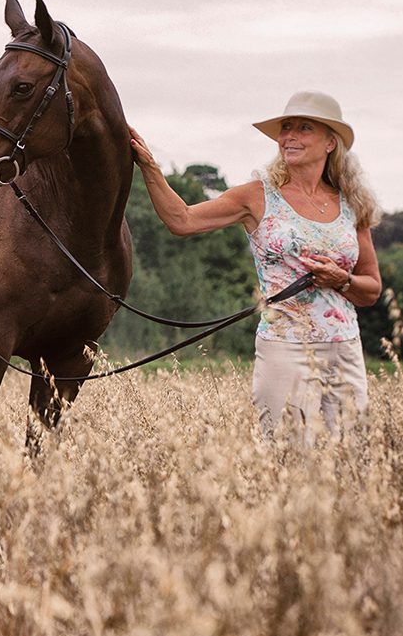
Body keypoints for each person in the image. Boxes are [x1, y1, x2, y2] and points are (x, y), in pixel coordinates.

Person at [129, 90, 382, 444]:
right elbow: (182, 220)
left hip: (344, 347)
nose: (289, 136)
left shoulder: (352, 204)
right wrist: (150, 167)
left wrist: (341, 280)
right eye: (285, 128)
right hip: (284, 347)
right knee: (289, 456)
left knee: (357, 455)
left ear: (330, 142)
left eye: (304, 128)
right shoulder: (257, 196)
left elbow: (370, 288)